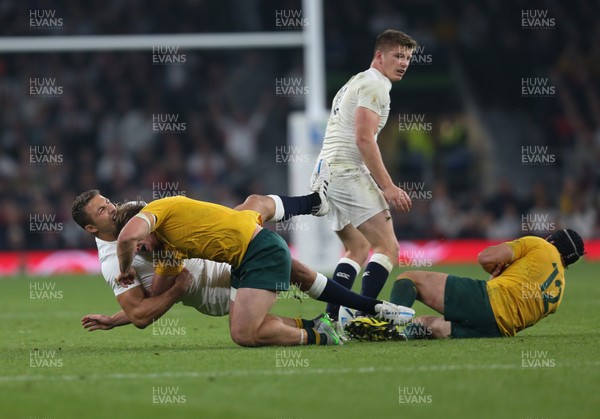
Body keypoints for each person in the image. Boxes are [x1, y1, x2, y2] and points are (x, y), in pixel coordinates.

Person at [71, 190, 413, 343]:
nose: (113, 209)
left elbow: (136, 239)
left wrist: (138, 267)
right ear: (90, 228)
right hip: (215, 287)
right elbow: (145, 310)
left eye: (110, 202)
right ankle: (360, 313)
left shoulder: (145, 226)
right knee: (289, 263)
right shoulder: (113, 259)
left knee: (249, 329)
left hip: (233, 257)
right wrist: (121, 315)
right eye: (103, 211)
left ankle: (343, 322)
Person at [310, 29, 418, 319]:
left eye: (408, 57)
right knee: (388, 247)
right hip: (346, 171)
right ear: (379, 56)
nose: (404, 62)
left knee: (356, 247)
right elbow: (363, 139)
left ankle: (331, 318)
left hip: (324, 172)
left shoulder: (356, 81)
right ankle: (361, 313)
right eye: (398, 55)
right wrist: (389, 187)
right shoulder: (375, 86)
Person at [345, 229, 585, 340]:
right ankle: (399, 335)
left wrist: (495, 271)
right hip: (496, 332)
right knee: (424, 324)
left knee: (408, 279)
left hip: (487, 302)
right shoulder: (560, 292)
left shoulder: (540, 245)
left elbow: (486, 258)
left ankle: (384, 328)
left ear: (552, 239)